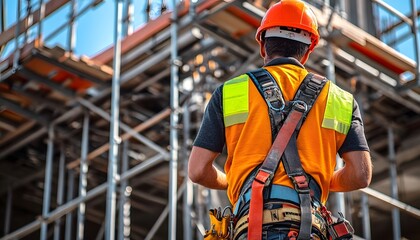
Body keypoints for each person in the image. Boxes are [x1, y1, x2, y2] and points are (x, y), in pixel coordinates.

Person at [188, 0, 372, 239]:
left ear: (263, 46)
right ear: (308, 51)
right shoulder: (341, 100)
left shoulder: (230, 91)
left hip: (251, 226)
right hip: (309, 228)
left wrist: (234, 180)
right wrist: (322, 180)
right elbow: (360, 174)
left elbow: (197, 170)